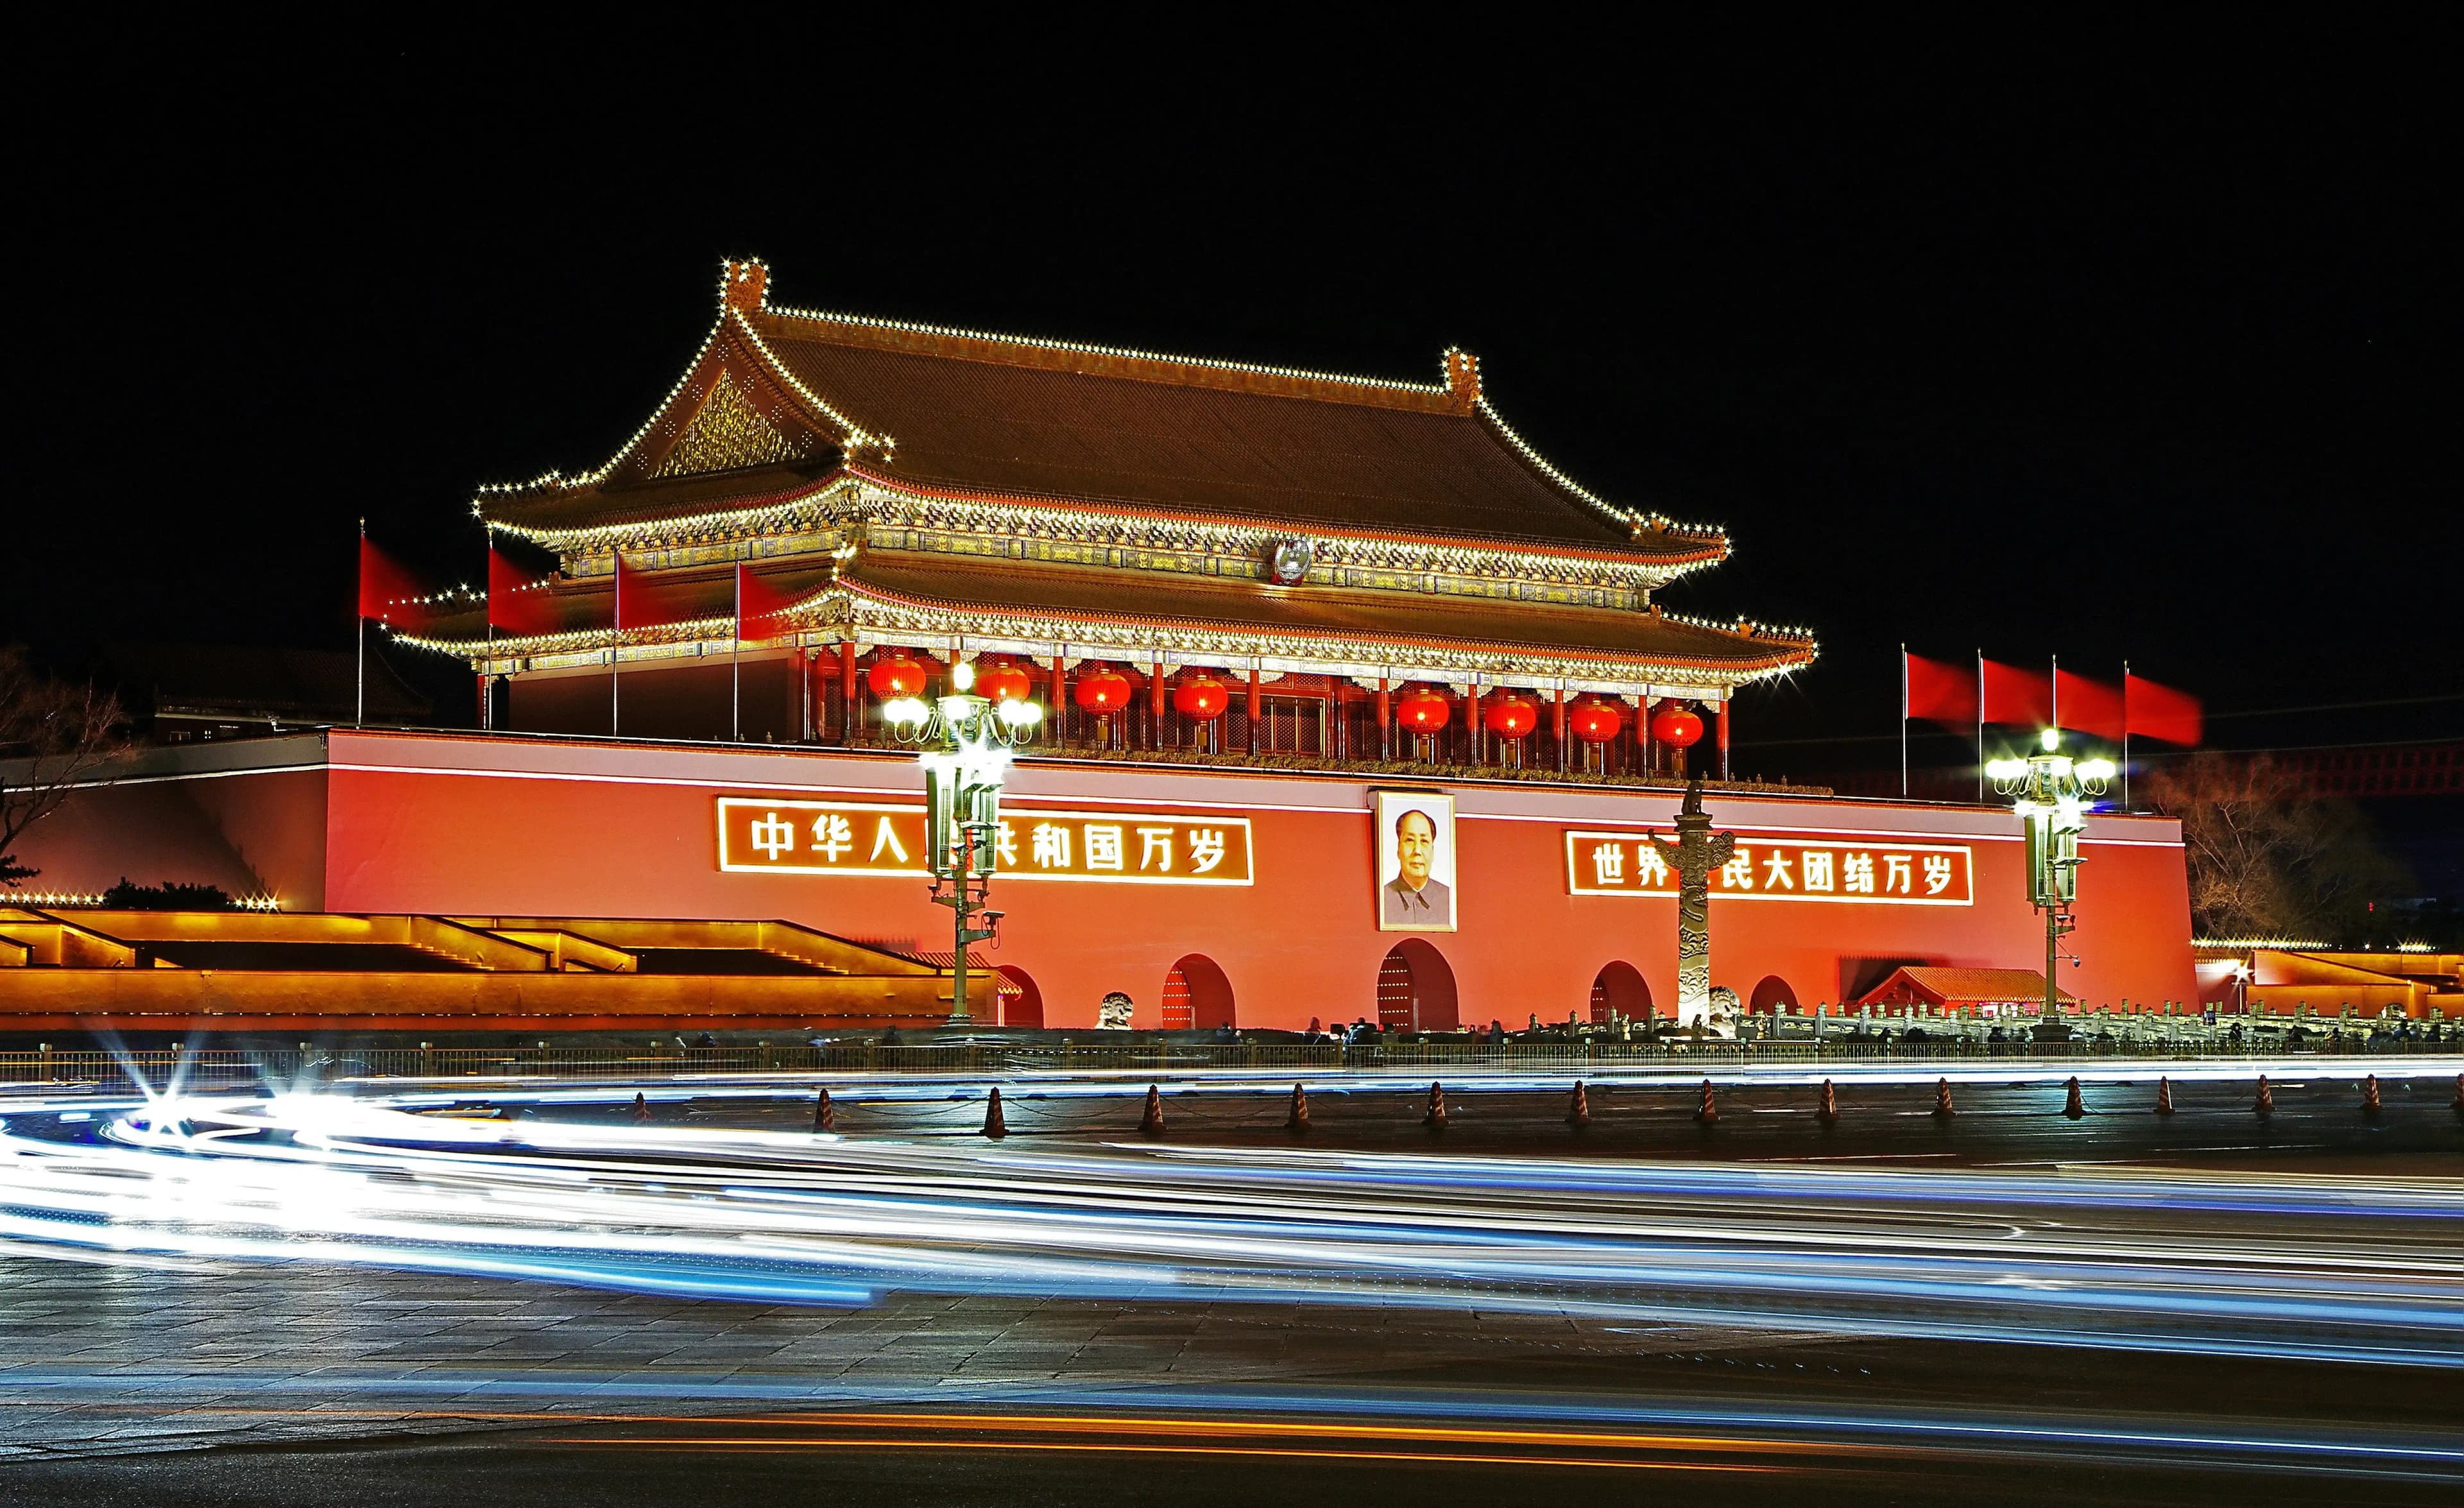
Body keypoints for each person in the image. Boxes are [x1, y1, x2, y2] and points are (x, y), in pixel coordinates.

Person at [1380, 807, 1452, 925]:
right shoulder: (1383, 899)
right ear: (1399, 849)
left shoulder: (1450, 900)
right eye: (1410, 840)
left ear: (1432, 850)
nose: (1417, 851)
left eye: (1424, 841)